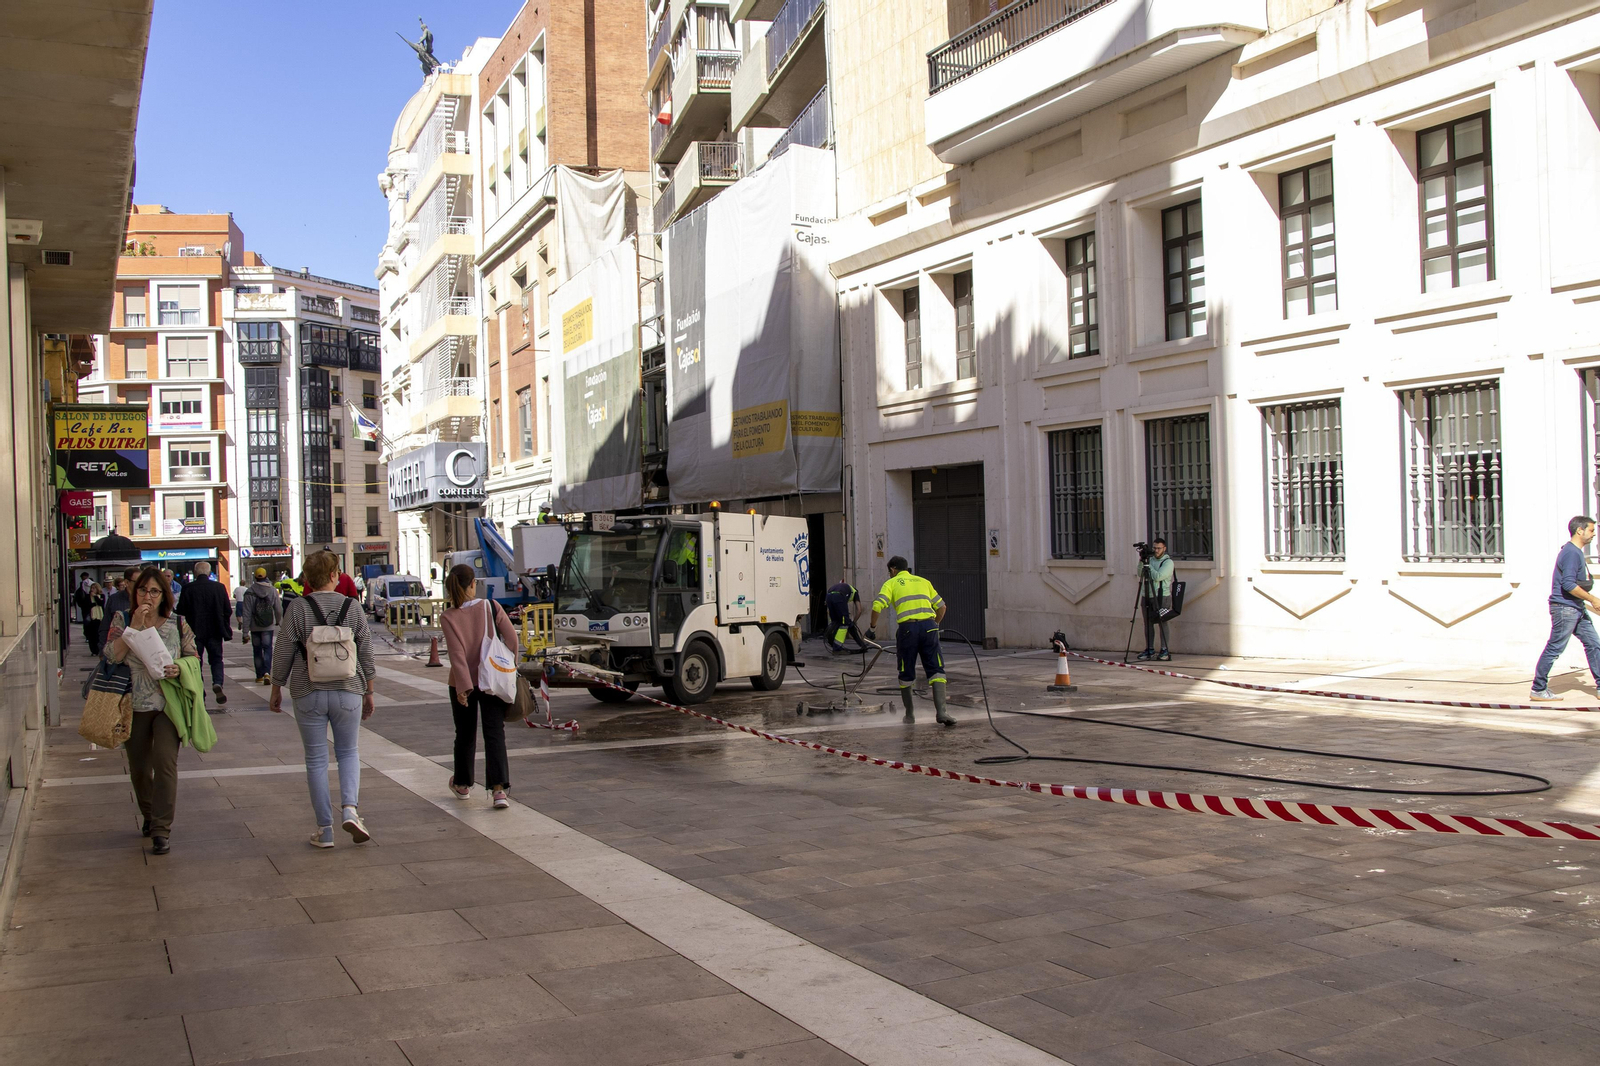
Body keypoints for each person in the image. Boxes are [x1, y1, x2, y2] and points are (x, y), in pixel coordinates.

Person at [269, 550, 377, 848]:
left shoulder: (298, 608)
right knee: (348, 752)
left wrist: (277, 686)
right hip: (348, 689)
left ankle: (325, 829)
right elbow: (365, 650)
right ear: (334, 576)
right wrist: (369, 689)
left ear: (306, 578)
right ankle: (351, 810)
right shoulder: (352, 608)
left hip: (308, 690)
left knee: (316, 759)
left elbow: (283, 650)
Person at [105, 566, 199, 855]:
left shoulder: (177, 623)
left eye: (154, 591)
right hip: (133, 705)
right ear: (134, 592)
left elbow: (193, 657)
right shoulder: (122, 619)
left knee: (165, 764)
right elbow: (111, 655)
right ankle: (148, 814)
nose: (148, 596)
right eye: (143, 590)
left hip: (167, 705)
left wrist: (179, 667)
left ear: (164, 595)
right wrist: (133, 626)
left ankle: (161, 829)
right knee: (140, 770)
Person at [438, 563, 519, 809]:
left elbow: (457, 655)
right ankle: (499, 790)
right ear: (474, 584)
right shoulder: (491, 607)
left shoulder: (448, 616)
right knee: (494, 732)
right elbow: (512, 639)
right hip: (492, 681)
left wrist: (463, 686)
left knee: (464, 734)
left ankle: (462, 784)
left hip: (463, 683)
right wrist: (509, 667)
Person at [867, 556, 954, 726]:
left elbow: (877, 606)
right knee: (936, 669)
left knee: (906, 670)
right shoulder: (924, 581)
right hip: (929, 627)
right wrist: (935, 625)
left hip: (908, 630)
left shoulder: (891, 583)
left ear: (893, 570)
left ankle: (909, 715)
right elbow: (942, 606)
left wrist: (872, 628)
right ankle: (942, 712)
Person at [1532, 516, 1600, 701]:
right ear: (1580, 531)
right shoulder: (1571, 553)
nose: (1594, 534)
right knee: (1555, 647)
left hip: (1575, 607)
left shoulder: (1575, 552)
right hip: (1565, 609)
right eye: (1591, 530)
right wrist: (1593, 599)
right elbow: (1568, 585)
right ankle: (1538, 689)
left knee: (1594, 644)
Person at [176, 560, 232, 706]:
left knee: (195, 662)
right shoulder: (219, 587)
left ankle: (200, 690)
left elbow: (181, 610)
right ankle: (218, 682)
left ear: (195, 573)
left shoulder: (188, 588)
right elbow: (227, 609)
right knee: (216, 659)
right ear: (208, 572)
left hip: (195, 631)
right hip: (214, 630)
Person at [242, 567, 283, 684]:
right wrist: (278, 621)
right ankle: (267, 673)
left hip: (255, 627)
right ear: (266, 577)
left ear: (255, 578)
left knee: (257, 650)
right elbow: (278, 609)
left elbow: (246, 613)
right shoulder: (272, 590)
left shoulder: (249, 592)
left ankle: (259, 675)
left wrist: (245, 633)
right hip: (268, 625)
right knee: (268, 648)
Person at [1137, 539, 1176, 662]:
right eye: (1154, 548)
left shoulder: (1168, 562)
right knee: (1148, 623)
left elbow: (1158, 576)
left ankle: (1164, 649)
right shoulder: (1150, 559)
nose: (1156, 551)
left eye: (1159, 548)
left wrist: (1148, 566)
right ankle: (1149, 649)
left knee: (1162, 622)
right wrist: (1142, 561)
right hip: (1147, 595)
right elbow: (1140, 573)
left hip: (1161, 596)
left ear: (1164, 548)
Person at [98, 566, 143, 651]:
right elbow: (105, 625)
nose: (141, 585)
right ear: (126, 582)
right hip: (118, 648)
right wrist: (102, 649)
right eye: (137, 582)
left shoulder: (145, 598)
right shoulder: (114, 599)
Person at [824, 576, 864, 652]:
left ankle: (831, 641)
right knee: (844, 624)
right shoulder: (855, 592)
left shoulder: (841, 587)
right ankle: (837, 648)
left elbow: (828, 609)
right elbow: (859, 610)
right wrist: (853, 623)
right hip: (839, 597)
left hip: (828, 596)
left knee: (836, 623)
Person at [74, 579, 105, 656]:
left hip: (99, 617)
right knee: (92, 636)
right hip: (91, 618)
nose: (92, 590)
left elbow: (101, 603)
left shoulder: (101, 596)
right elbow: (85, 606)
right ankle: (93, 650)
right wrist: (93, 604)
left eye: (94, 588)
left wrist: (95, 597)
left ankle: (99, 649)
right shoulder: (87, 597)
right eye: (92, 588)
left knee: (98, 635)